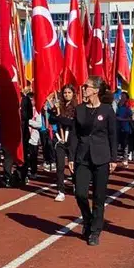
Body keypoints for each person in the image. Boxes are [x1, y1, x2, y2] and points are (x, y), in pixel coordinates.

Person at [72, 75, 118, 246]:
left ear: (96, 90)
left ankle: (95, 231)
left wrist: (114, 158)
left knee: (99, 197)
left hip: (102, 158)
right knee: (80, 194)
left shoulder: (107, 110)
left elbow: (113, 135)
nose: (84, 89)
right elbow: (75, 135)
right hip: (82, 157)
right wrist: (72, 156)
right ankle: (88, 219)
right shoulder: (80, 109)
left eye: (87, 86)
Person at [51, 84, 77, 201]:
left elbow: (71, 123)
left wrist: (59, 117)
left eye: (69, 93)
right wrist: (53, 111)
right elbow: (51, 120)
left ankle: (76, 184)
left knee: (73, 166)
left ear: (73, 94)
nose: (67, 95)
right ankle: (61, 190)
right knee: (60, 166)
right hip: (59, 140)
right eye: (65, 93)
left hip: (72, 140)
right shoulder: (59, 106)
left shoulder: (77, 108)